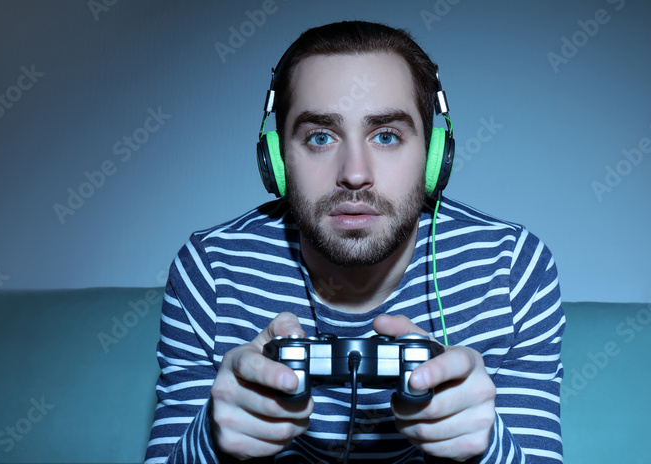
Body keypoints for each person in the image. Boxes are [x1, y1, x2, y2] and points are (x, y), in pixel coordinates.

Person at [144, 20, 565, 464]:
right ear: (277, 160)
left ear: (434, 157)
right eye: (320, 137)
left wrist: (485, 448)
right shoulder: (210, 272)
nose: (355, 173)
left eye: (386, 136)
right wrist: (211, 438)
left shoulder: (513, 271)